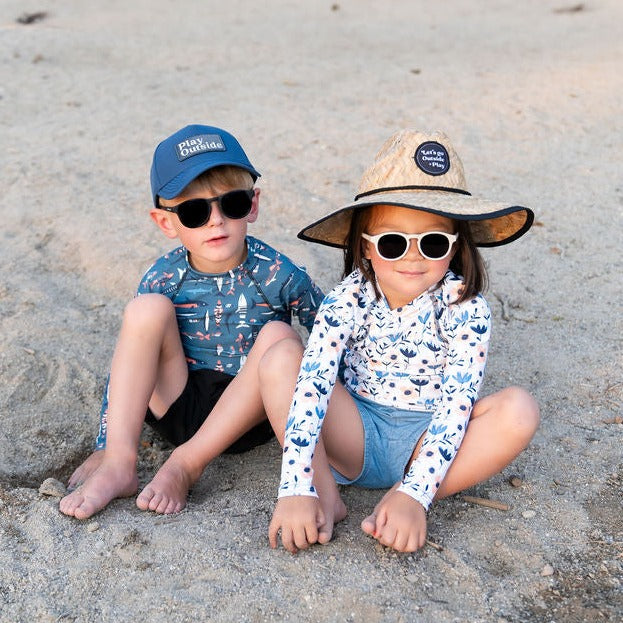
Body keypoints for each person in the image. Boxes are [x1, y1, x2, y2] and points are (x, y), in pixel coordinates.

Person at [262, 130, 540, 553]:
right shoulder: (347, 299)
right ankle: (323, 490)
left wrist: (417, 493)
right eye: (393, 242)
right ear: (366, 247)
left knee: (519, 410)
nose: (413, 257)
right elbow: (313, 386)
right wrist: (295, 487)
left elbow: (455, 407)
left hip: (429, 441)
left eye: (432, 242)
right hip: (353, 433)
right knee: (282, 357)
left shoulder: (468, 308)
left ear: (455, 244)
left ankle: (403, 496)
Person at [60, 124, 323, 520]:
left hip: (250, 413)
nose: (216, 221)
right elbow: (128, 361)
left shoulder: (279, 274)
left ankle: (187, 463)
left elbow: (331, 331)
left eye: (231, 204)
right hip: (178, 405)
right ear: (167, 223)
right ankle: (119, 461)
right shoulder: (163, 278)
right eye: (194, 211)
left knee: (279, 333)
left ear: (252, 205)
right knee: (144, 311)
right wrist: (104, 440)